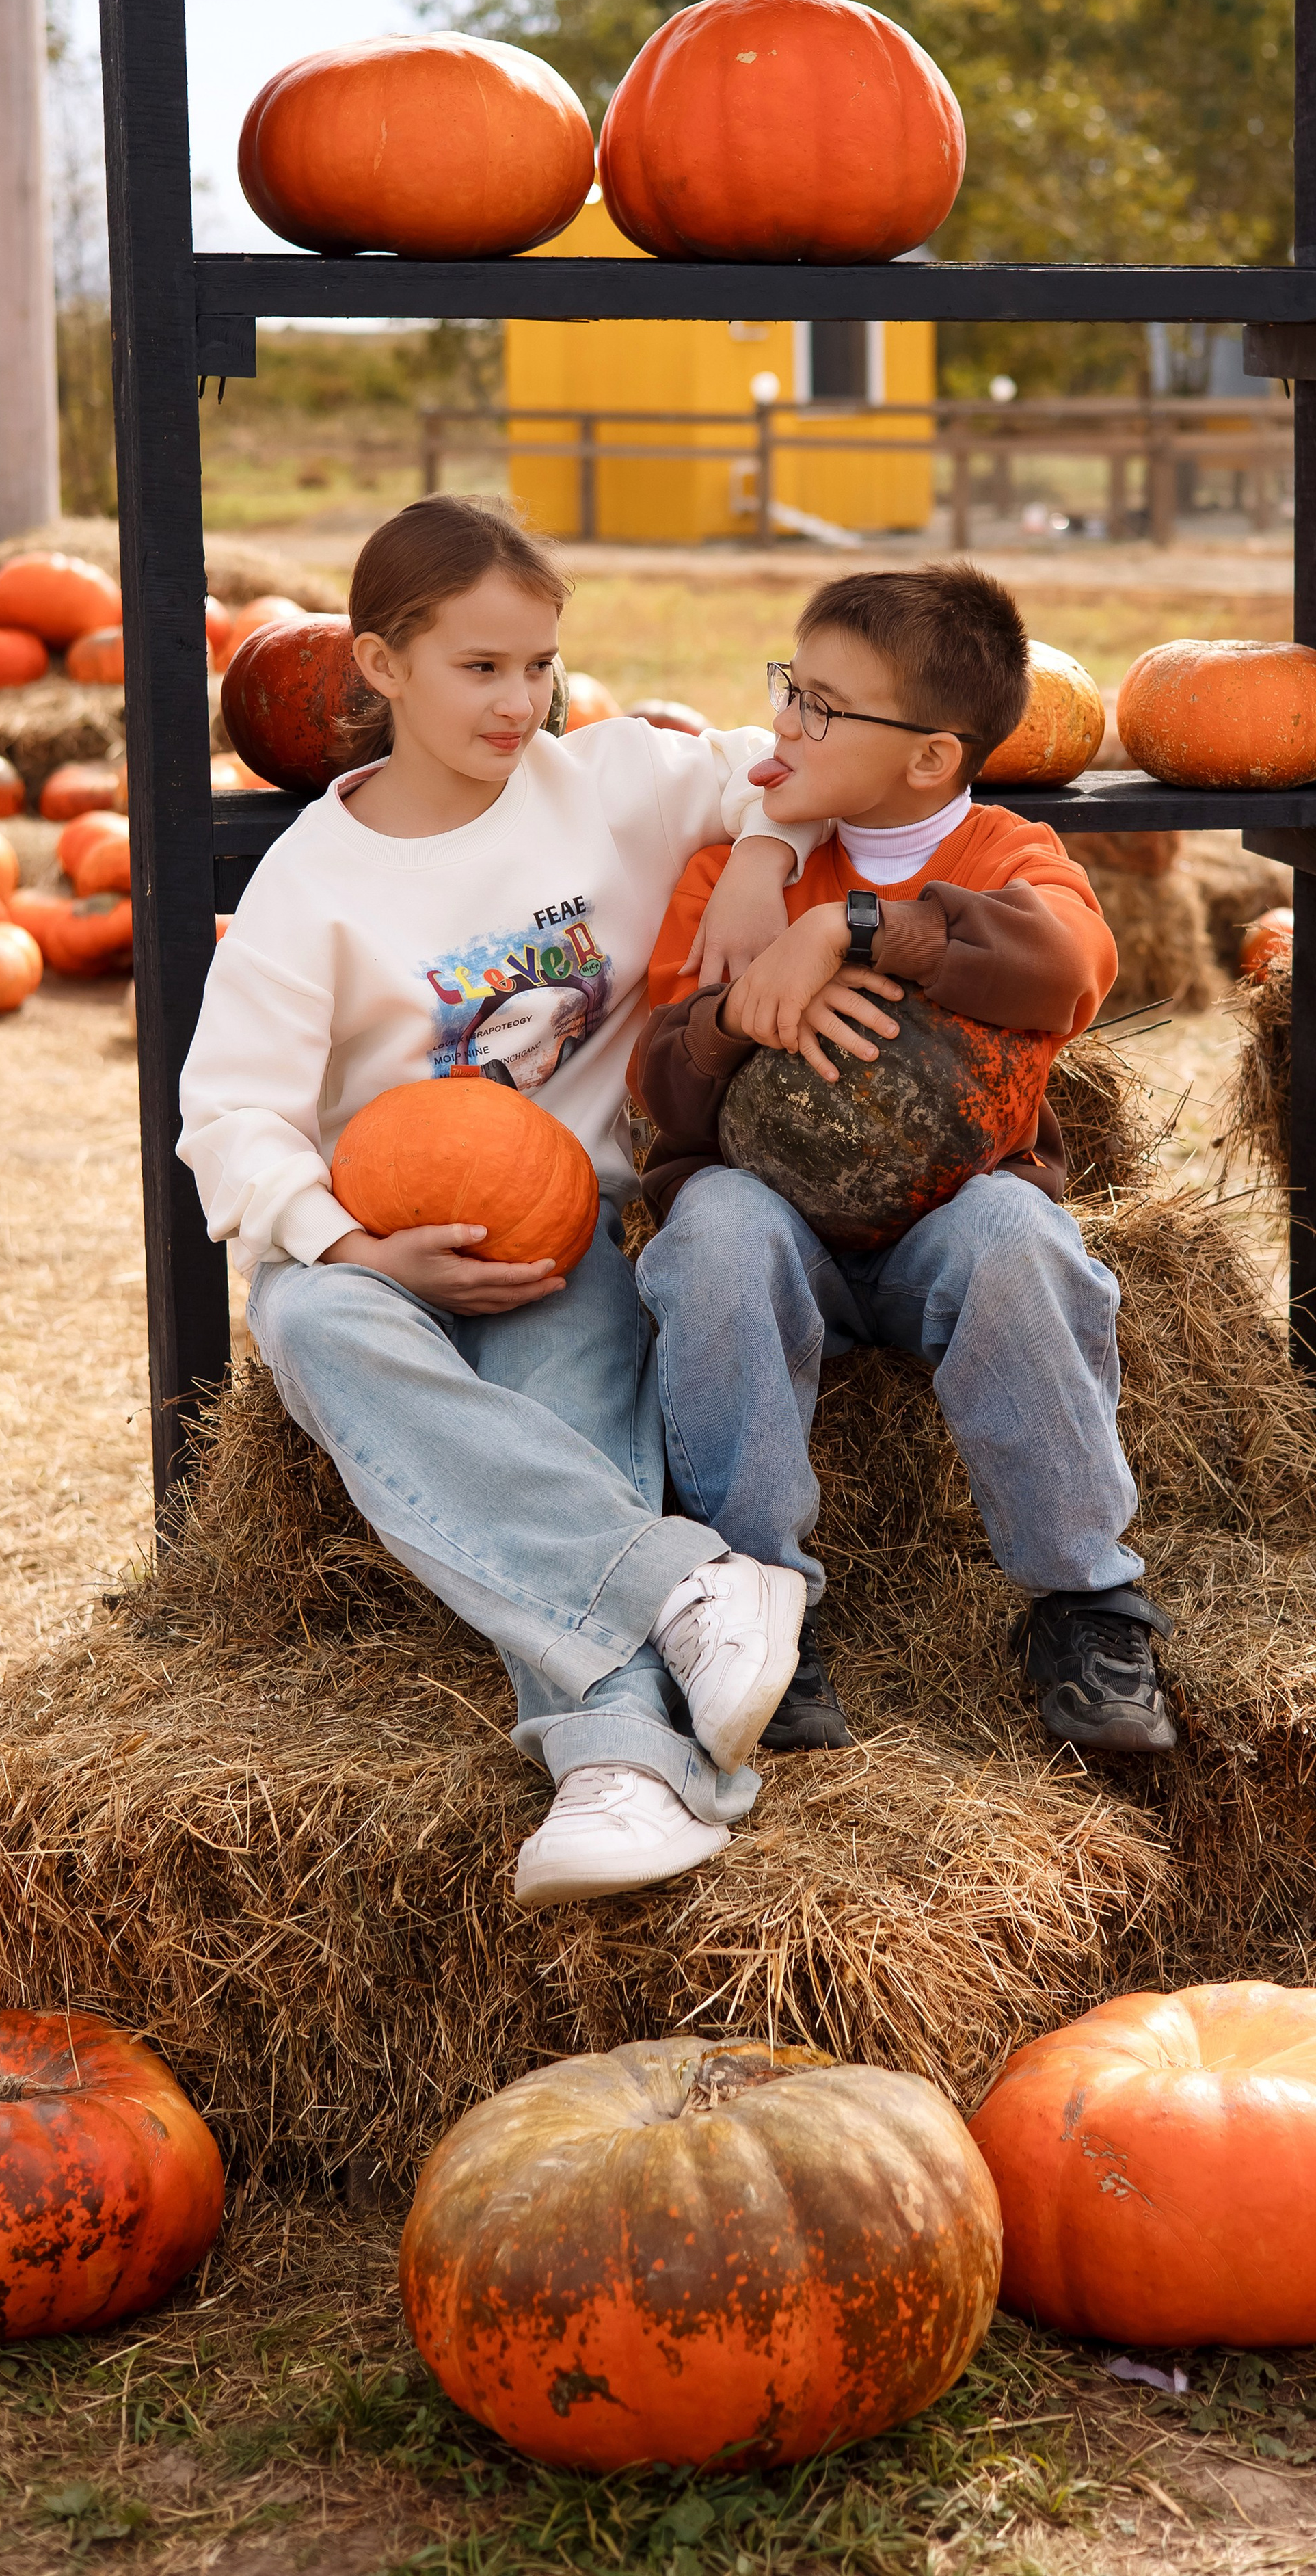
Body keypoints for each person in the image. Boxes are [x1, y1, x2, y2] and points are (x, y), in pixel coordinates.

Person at [178, 494, 828, 1911]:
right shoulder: (316, 883)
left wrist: (768, 857)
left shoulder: (605, 783)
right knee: (310, 1325)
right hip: (377, 1230)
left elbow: (779, 772)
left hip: (561, 1218)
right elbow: (227, 1112)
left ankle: (615, 1764)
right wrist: (348, 1239)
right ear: (377, 666)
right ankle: (683, 1590)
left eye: (538, 664)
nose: (518, 699)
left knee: (564, 1387)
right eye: (480, 667)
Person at [630, 562, 1176, 1757]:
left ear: (931, 756)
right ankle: (757, 1606)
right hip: (780, 1232)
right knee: (712, 1225)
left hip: (946, 1230)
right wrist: (734, 1018)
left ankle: (1087, 1602)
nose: (784, 721)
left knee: (1021, 1237)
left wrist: (856, 926)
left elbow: (1071, 967)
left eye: (823, 705)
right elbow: (659, 1093)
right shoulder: (733, 881)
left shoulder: (1006, 854)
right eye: (790, 686)